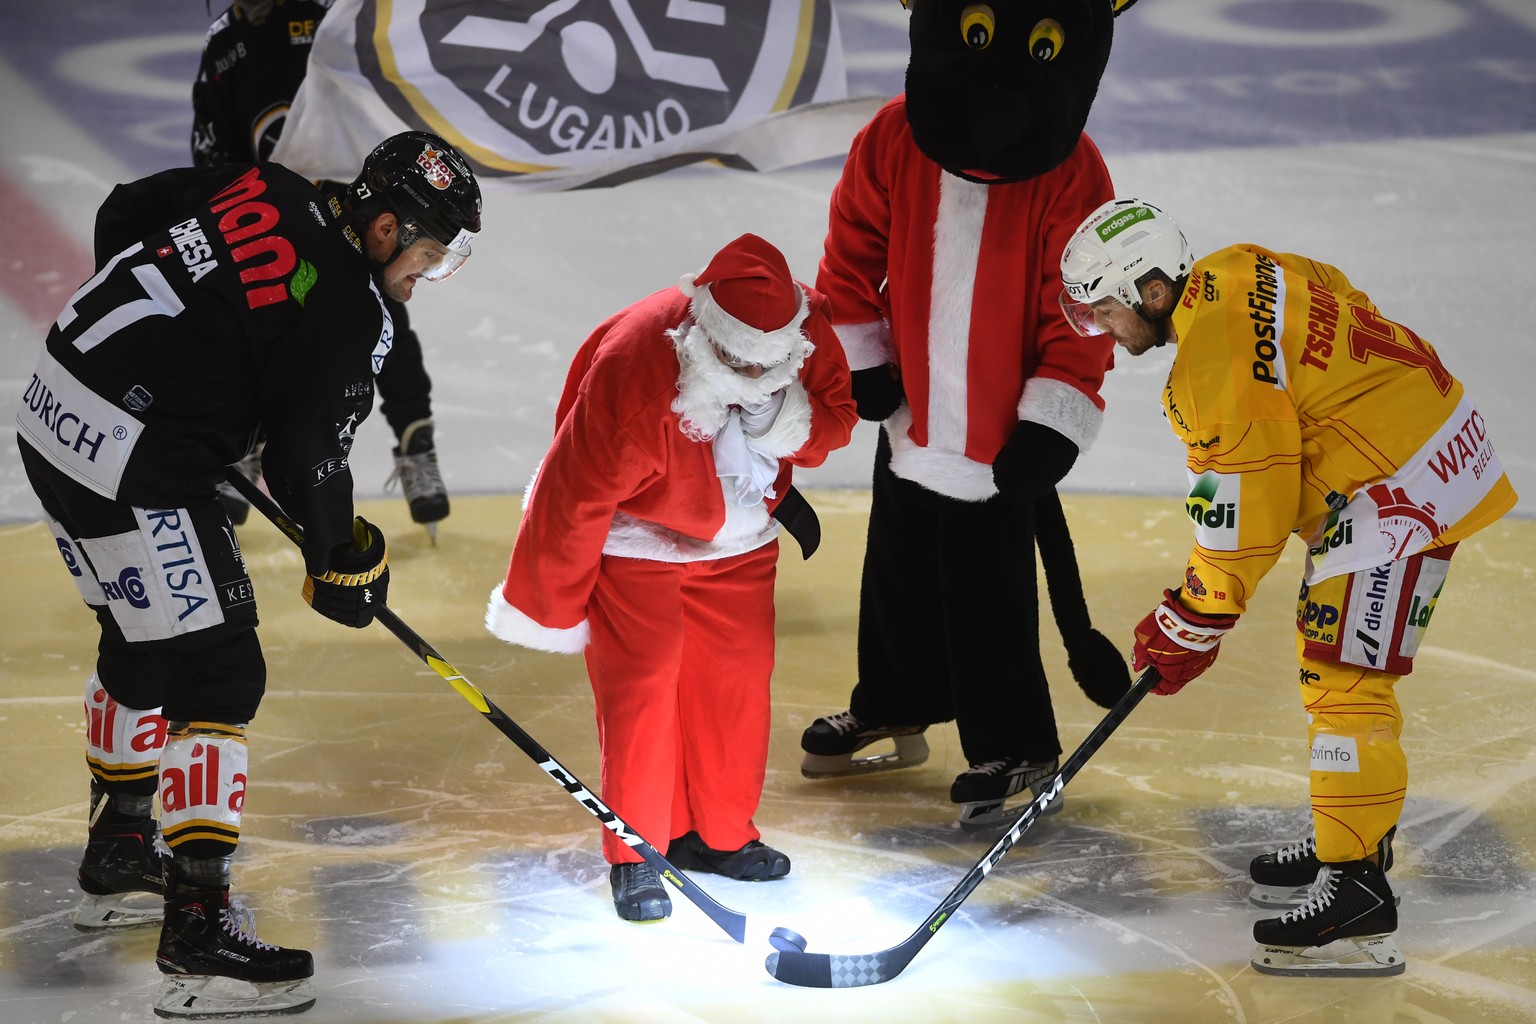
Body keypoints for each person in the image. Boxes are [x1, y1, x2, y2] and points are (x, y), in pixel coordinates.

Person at [14, 130, 481, 1018]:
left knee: (141, 634)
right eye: (427, 257)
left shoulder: (273, 183)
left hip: (54, 412)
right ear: (384, 229)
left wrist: (184, 352)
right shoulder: (352, 308)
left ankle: (117, 853)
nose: (425, 278)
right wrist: (339, 555)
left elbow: (130, 209)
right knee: (222, 671)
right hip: (137, 463)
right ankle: (198, 941)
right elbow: (309, 458)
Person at [1057, 197, 1517, 977]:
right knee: (1332, 661)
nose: (1102, 327)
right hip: (1419, 453)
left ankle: (1357, 897)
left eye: (1104, 309)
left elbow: (1243, 517)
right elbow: (1344, 301)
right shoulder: (1242, 266)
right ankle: (1353, 833)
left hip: (1402, 491)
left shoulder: (1210, 370)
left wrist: (1192, 616)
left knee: (1343, 682)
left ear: (1152, 290)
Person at [799, 0, 1135, 831]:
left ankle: (1017, 740)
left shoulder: (1073, 172)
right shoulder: (893, 138)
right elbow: (851, 252)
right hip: (910, 421)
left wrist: (1051, 422)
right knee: (898, 575)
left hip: (997, 434)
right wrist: (866, 361)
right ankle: (895, 700)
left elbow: (1082, 313)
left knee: (988, 595)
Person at [485, 233, 856, 923]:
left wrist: (782, 419)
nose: (749, 369)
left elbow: (835, 421)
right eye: (734, 357)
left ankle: (720, 837)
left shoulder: (809, 332)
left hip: (740, 539)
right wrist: (550, 602)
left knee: (735, 684)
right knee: (644, 689)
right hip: (637, 539)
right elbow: (576, 490)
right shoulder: (636, 359)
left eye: (764, 361)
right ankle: (639, 852)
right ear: (704, 329)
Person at [192, 0, 452, 537]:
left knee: (381, 321)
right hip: (263, 225)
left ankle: (415, 440)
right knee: (260, 330)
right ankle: (250, 442)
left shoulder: (331, 18)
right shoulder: (224, 42)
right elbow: (211, 148)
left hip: (346, 215)